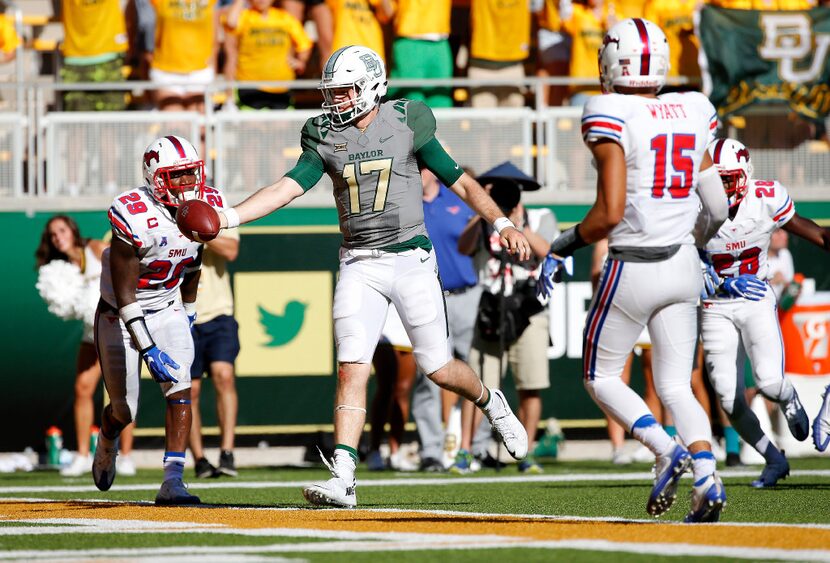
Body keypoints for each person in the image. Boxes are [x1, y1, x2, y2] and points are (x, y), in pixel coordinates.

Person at [213, 45, 531, 508]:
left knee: (438, 369)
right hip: (359, 262)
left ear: (371, 87)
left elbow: (459, 180)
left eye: (344, 92)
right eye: (333, 92)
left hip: (410, 259)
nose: (336, 101)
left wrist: (500, 222)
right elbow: (287, 187)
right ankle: (344, 476)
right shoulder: (322, 134)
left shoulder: (407, 119)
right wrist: (230, 217)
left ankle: (490, 401)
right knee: (352, 366)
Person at [538, 18, 729, 523]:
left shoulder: (606, 109)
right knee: (676, 386)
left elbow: (609, 214)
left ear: (611, 62)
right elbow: (718, 204)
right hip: (684, 264)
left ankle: (665, 450)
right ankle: (708, 476)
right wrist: (699, 245)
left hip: (634, 265)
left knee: (599, 376)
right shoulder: (693, 106)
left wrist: (561, 244)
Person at [93, 134, 227, 505]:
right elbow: (125, 295)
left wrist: (188, 313)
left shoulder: (207, 203)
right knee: (125, 409)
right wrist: (148, 347)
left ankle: (173, 480)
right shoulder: (132, 212)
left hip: (167, 304)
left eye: (191, 174)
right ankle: (107, 437)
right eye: (177, 175)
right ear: (155, 178)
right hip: (121, 313)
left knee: (180, 385)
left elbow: (194, 262)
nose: (188, 184)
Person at [699, 137, 829, 484]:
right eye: (716, 179)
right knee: (728, 396)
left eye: (728, 179)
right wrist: (715, 279)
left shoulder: (766, 198)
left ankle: (789, 398)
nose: (721, 187)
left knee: (770, 382)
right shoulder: (694, 204)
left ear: (745, 175)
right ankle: (773, 459)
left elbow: (814, 232)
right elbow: (680, 254)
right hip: (714, 304)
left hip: (755, 297)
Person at [455, 166, 556, 474]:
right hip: (491, 309)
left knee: (530, 384)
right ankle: (465, 452)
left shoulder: (540, 217)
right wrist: (484, 211)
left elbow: (548, 253)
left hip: (528, 310)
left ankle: (525, 454)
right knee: (479, 385)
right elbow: (463, 247)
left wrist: (519, 223)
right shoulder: (485, 220)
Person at [35, 215, 136, 478]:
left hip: (116, 327)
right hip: (91, 334)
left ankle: (125, 456)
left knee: (122, 393)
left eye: (62, 230)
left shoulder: (93, 247)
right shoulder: (61, 268)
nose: (58, 236)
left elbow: (119, 271)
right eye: (53, 234)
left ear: (72, 229)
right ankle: (82, 455)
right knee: (82, 388)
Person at [189, 231, 241, 479]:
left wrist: (197, 230)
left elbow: (230, 250)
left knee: (224, 375)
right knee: (189, 390)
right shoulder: (164, 214)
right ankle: (199, 458)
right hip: (183, 313)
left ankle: (227, 452)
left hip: (219, 313)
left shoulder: (215, 207)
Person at [223, 0, 313, 110]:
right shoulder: (245, 17)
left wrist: (301, 61)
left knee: (281, 125)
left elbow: (304, 43)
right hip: (250, 87)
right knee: (254, 125)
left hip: (281, 88)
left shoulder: (284, 18)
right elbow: (230, 23)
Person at [366, 307, 418, 471]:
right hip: (384, 319)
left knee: (403, 391)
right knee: (386, 387)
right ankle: (374, 451)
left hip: (408, 315)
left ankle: (395, 452)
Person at [149, 0, 220, 112]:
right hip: (167, 71)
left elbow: (215, 39)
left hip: (200, 70)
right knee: (175, 126)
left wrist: (213, 72)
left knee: (200, 124)